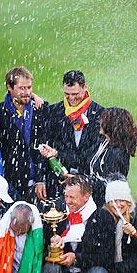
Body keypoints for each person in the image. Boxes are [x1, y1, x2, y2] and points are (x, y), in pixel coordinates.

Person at [39, 175, 113, 273]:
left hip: (87, 272)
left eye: (72, 197)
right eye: (66, 196)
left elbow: (106, 258)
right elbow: (42, 248)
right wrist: (53, 244)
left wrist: (76, 258)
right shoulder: (56, 212)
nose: (67, 201)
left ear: (87, 196)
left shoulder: (102, 217)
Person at [41, 70, 104, 199]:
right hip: (60, 183)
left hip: (89, 182)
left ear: (85, 87)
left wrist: (61, 155)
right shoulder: (54, 112)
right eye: (67, 94)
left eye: (75, 94)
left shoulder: (100, 114)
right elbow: (46, 146)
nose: (71, 98)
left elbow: (93, 153)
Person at [0, 67, 49, 201]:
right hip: (11, 182)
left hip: (38, 182)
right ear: (9, 87)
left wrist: (40, 179)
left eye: (29, 87)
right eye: (22, 88)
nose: (27, 92)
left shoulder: (40, 109)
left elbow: (45, 144)